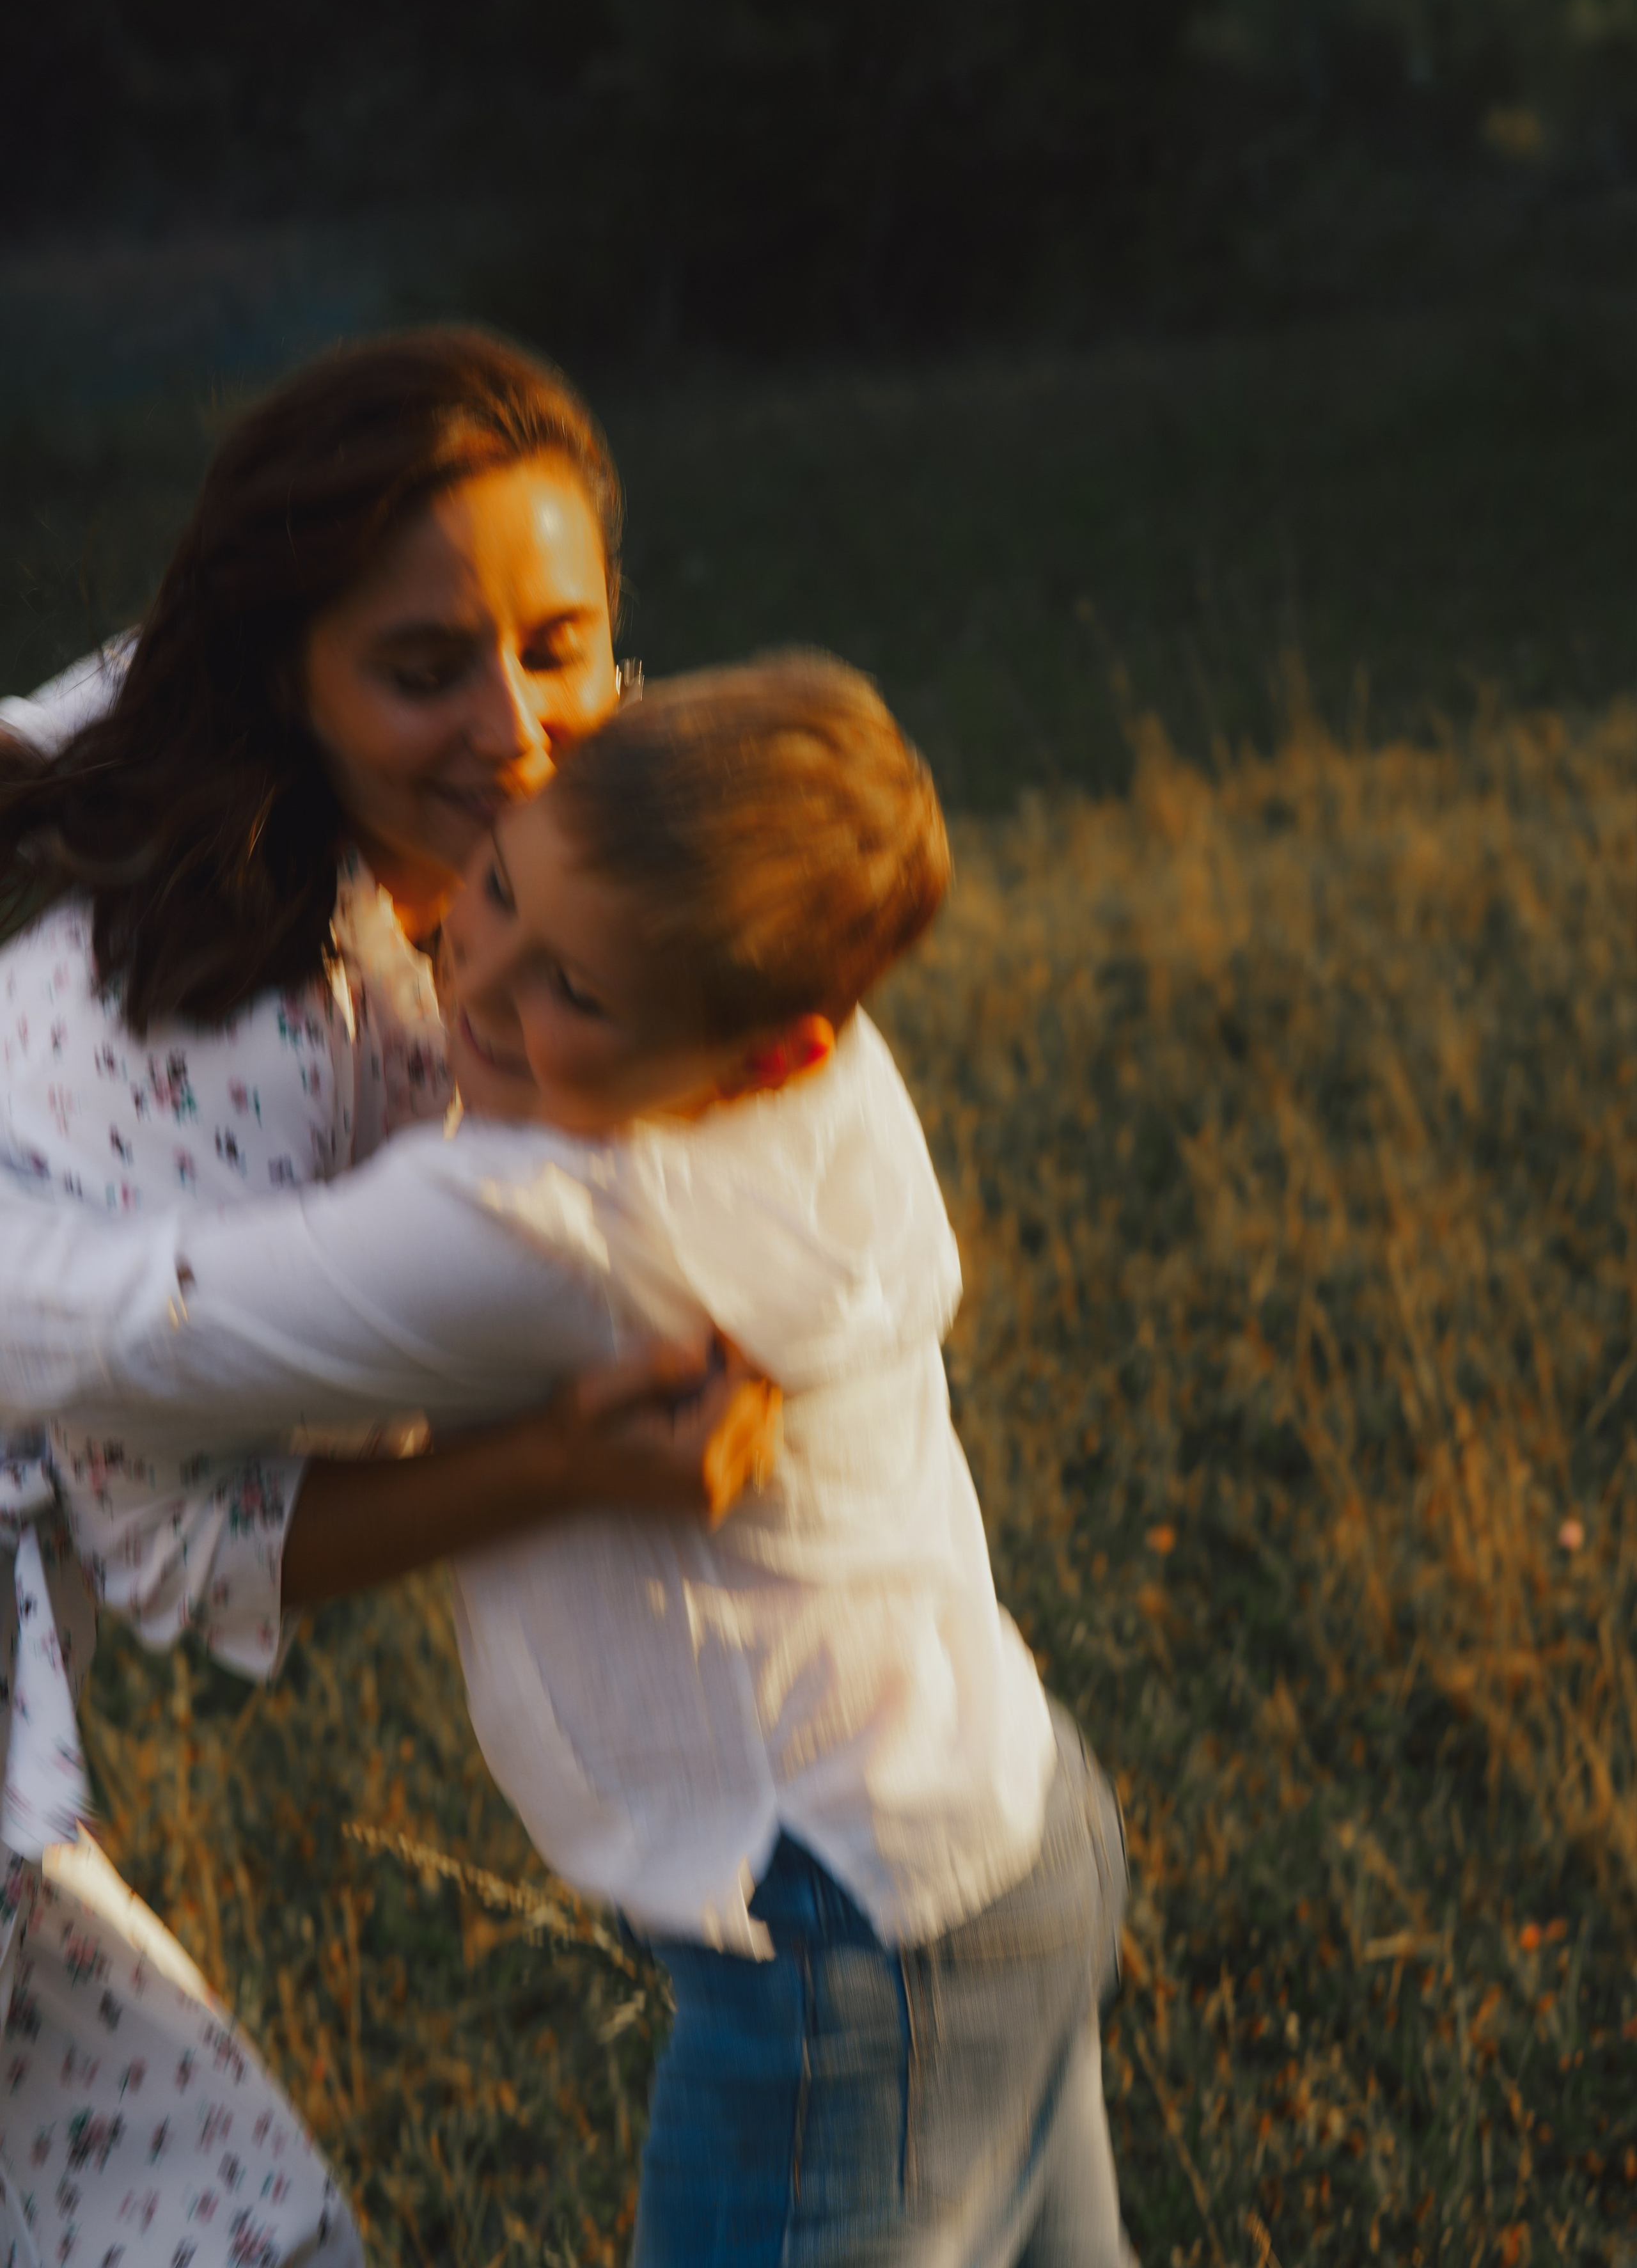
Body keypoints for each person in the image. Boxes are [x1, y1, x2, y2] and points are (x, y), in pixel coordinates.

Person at [0, 656, 1136, 2265]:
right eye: (502, 890)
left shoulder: (555, 1225)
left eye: (574, 996)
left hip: (837, 1954)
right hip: (1002, 1822)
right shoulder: (816, 1069)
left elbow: (124, 1333)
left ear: (767, 1054)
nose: (479, 983)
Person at [0, 329, 774, 2265]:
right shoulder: (238, 1006)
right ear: (294, 674)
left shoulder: (278, 804)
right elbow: (175, 1543)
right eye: (425, 671)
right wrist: (568, 1464)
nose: (516, 727)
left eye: (562, 644)